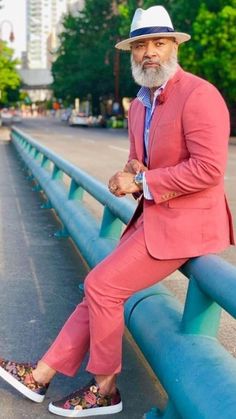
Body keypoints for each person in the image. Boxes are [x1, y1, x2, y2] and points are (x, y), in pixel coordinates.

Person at [0, 5, 234, 418]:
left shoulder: (200, 95)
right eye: (141, 45)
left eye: (159, 43)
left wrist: (143, 183)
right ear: (131, 54)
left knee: (103, 288)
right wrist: (129, 173)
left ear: (173, 47)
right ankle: (40, 375)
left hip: (188, 225)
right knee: (97, 289)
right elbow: (139, 164)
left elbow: (209, 169)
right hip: (153, 218)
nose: (150, 53)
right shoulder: (140, 105)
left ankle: (106, 388)